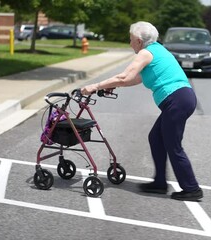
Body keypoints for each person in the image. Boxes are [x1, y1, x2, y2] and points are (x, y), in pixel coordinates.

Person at [81, 21, 202, 201]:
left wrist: (95, 86)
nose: (130, 44)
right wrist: (113, 86)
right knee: (156, 138)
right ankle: (160, 183)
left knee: (173, 145)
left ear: (138, 40)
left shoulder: (146, 52)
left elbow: (124, 76)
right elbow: (136, 79)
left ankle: (192, 188)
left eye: (131, 40)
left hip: (177, 100)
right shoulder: (157, 50)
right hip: (181, 99)